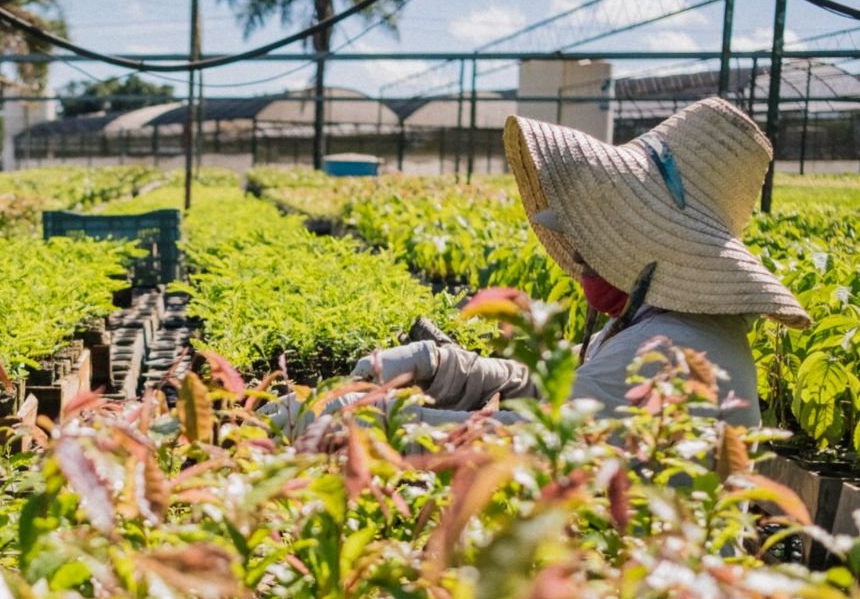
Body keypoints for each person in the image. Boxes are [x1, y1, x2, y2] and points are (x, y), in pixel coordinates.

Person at [265, 97, 810, 436]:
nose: (578, 250)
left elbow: (518, 446)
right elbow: (565, 392)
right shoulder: (660, 323)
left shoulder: (669, 352)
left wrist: (364, 422)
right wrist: (449, 368)